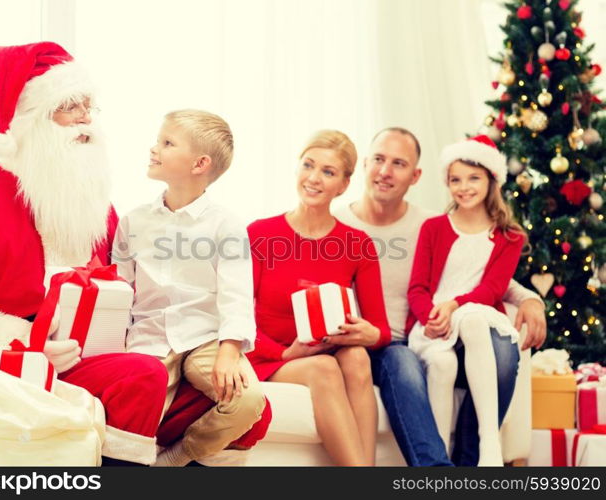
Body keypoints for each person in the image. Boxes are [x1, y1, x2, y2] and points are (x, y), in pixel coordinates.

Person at [0, 42, 168, 465]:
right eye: (70, 106)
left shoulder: (96, 208)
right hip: (15, 367)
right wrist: (22, 349)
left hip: (95, 358)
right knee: (143, 377)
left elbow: (122, 286)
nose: (86, 118)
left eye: (89, 105)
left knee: (215, 398)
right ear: (31, 121)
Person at [332, 127, 546, 466]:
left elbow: (484, 274)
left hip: (414, 339)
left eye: (398, 163)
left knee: (501, 351)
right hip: (363, 346)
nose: (385, 171)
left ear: (416, 176)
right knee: (405, 363)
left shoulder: (431, 224)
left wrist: (532, 299)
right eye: (379, 160)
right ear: (365, 165)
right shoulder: (335, 222)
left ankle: (473, 459)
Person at [114, 109, 266, 467]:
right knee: (132, 413)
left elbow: (236, 294)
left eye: (167, 143)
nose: (154, 149)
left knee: (247, 400)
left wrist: (230, 352)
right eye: (158, 140)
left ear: (199, 164)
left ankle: (177, 458)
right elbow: (121, 289)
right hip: (148, 337)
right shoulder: (134, 220)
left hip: (205, 337)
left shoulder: (225, 224)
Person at [246, 130, 390, 466]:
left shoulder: (357, 243)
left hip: (327, 348)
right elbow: (237, 317)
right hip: (271, 355)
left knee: (356, 357)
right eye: (308, 165)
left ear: (344, 184)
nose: (313, 178)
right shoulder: (260, 233)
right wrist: (285, 352)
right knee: (324, 367)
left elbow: (381, 329)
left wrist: (368, 334)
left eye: (328, 172)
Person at [407, 135, 526, 466]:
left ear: (492, 180)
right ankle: (440, 460)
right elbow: (417, 288)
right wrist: (431, 316)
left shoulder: (510, 237)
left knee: (473, 317)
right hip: (434, 323)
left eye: (474, 178)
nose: (464, 187)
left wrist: (454, 305)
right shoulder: (433, 228)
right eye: (455, 179)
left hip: (476, 317)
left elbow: (492, 289)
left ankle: (489, 444)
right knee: (442, 365)